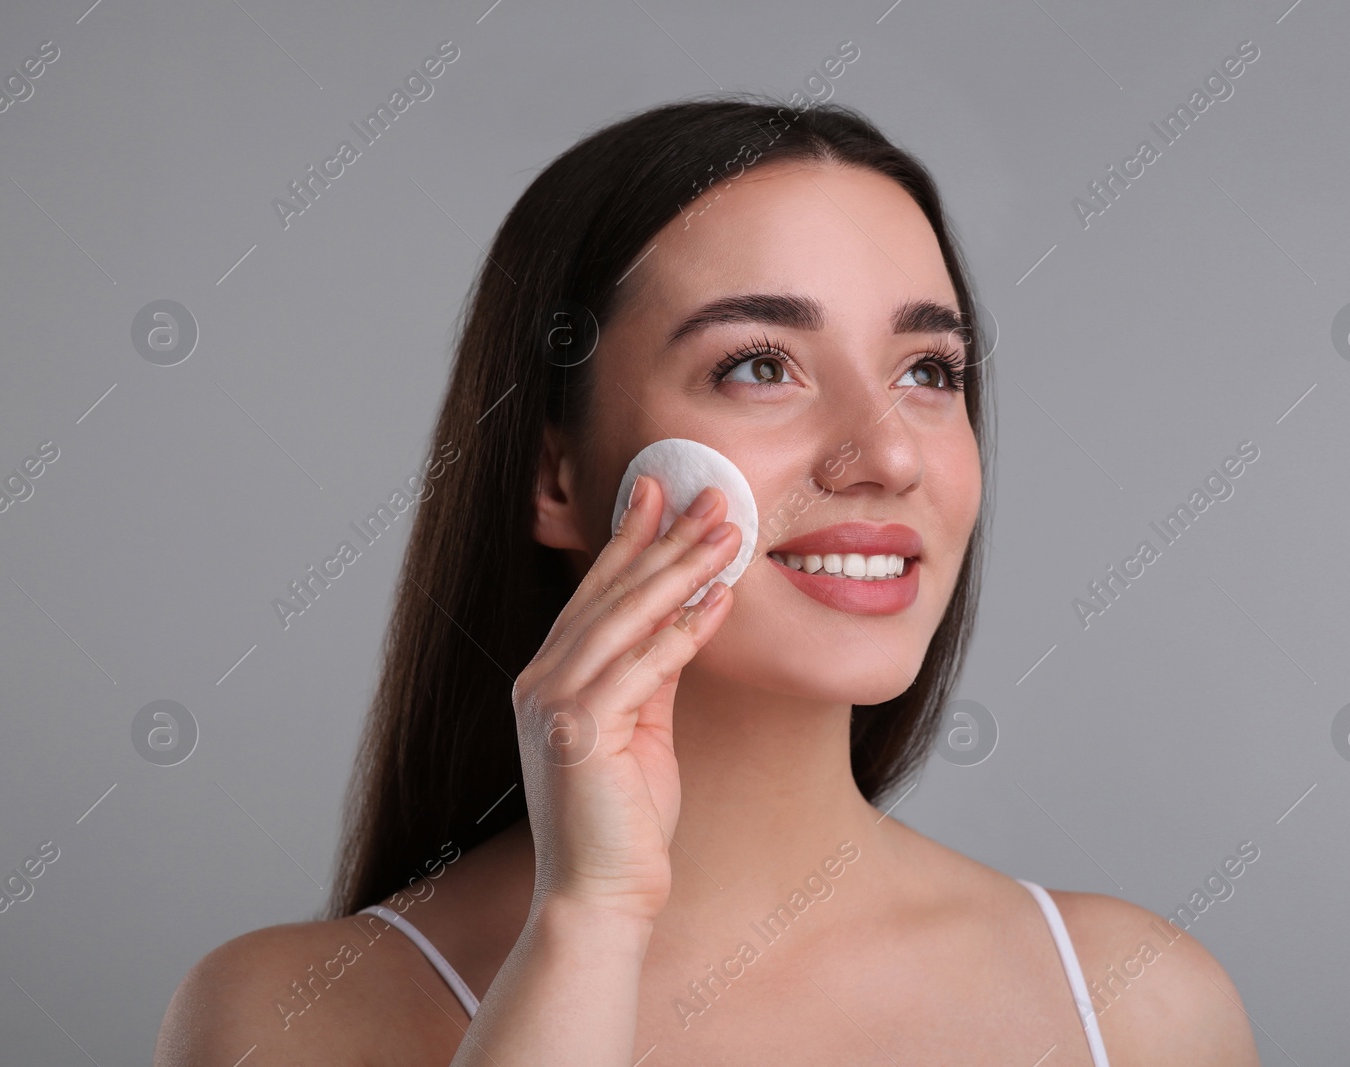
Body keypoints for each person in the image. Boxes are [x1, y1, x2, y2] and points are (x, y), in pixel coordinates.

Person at [155, 95, 1259, 1066]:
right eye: (759, 366)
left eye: (928, 370)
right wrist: (588, 920)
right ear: (554, 474)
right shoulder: (284, 1015)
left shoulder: (1142, 1007)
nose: (889, 455)